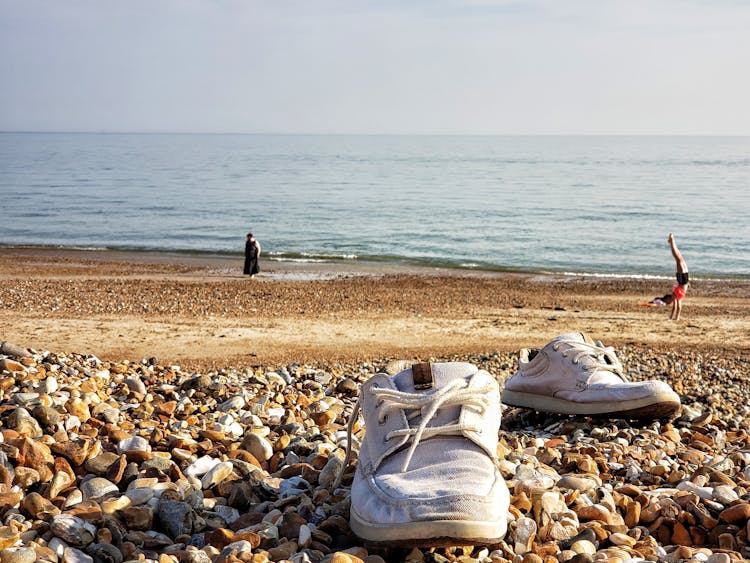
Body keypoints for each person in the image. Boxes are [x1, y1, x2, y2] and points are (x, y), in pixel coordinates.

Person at [648, 233, 689, 320]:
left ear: (668, 299)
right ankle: (672, 241)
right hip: (683, 280)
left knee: (679, 259)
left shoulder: (674, 295)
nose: (669, 303)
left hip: (684, 280)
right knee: (679, 258)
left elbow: (676, 308)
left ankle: (672, 241)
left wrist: (671, 318)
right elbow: (678, 307)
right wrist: (676, 318)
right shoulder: (676, 295)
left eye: (668, 302)